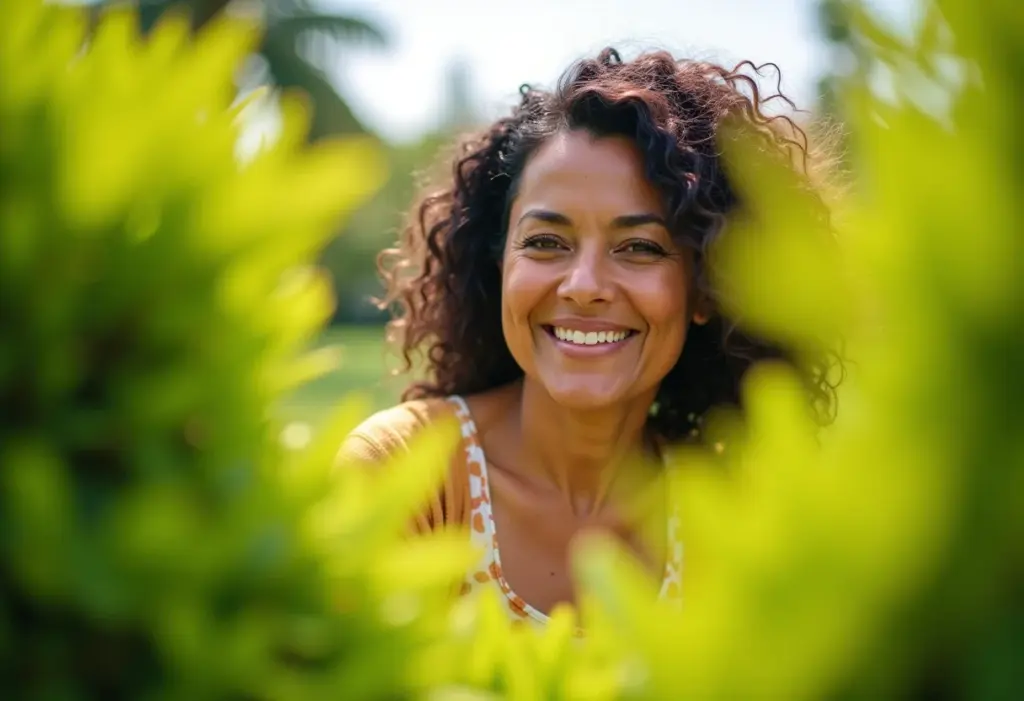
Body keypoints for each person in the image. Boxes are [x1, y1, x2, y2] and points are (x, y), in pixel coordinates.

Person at [337, 48, 840, 626]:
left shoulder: (728, 509)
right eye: (547, 242)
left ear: (705, 290)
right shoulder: (400, 473)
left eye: (640, 247)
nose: (584, 285)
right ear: (499, 266)